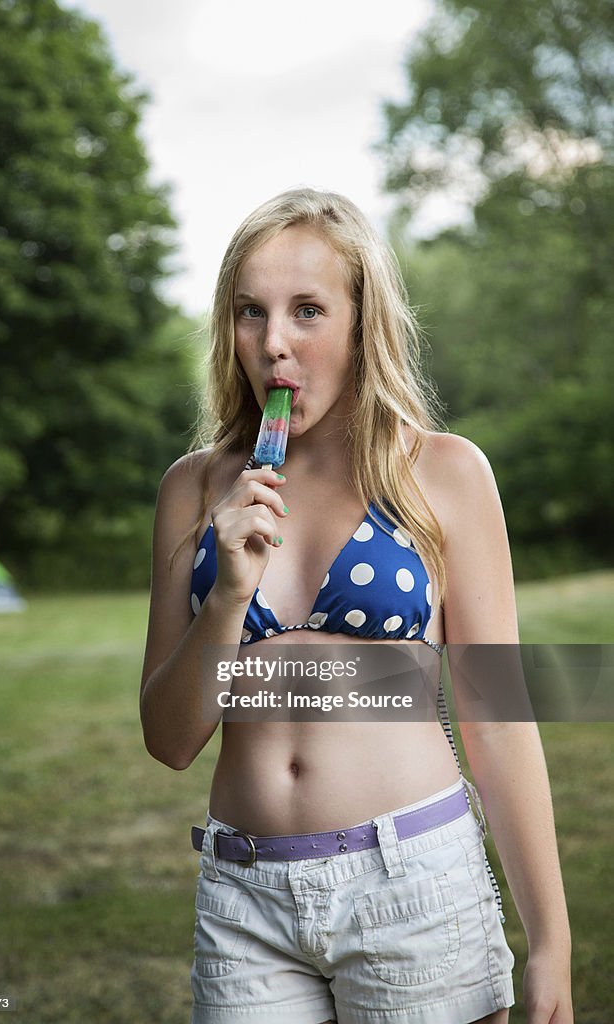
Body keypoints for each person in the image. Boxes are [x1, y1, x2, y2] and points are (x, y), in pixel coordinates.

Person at [140, 188, 573, 1024]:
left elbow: (497, 722)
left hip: (412, 887)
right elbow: (167, 740)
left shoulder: (442, 474)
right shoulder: (192, 489)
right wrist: (227, 594)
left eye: (307, 311)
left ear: (360, 322)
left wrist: (549, 937)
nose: (274, 345)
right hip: (244, 905)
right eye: (249, 313)